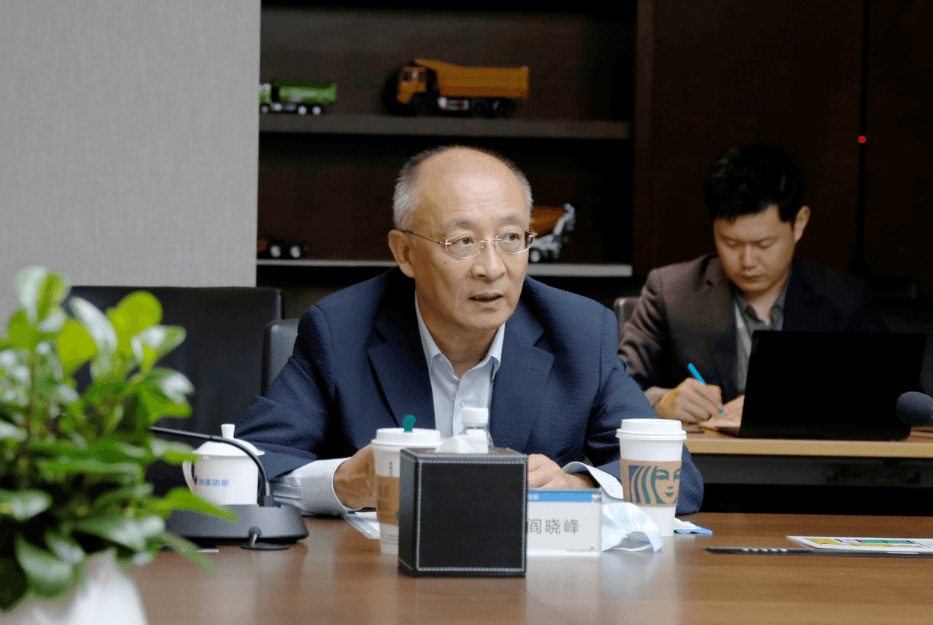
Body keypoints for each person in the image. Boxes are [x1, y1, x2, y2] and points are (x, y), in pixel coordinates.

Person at [237, 145, 703, 515]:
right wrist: (346, 483)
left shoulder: (578, 331)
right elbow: (247, 468)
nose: (492, 268)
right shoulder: (342, 329)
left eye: (511, 238)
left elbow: (677, 479)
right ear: (404, 253)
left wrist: (575, 485)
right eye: (463, 241)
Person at [619, 144, 882, 425]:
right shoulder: (671, 292)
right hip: (707, 452)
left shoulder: (844, 299)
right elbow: (615, 389)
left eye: (764, 244)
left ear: (799, 223)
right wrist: (660, 402)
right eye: (731, 243)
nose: (747, 261)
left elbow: (889, 395)